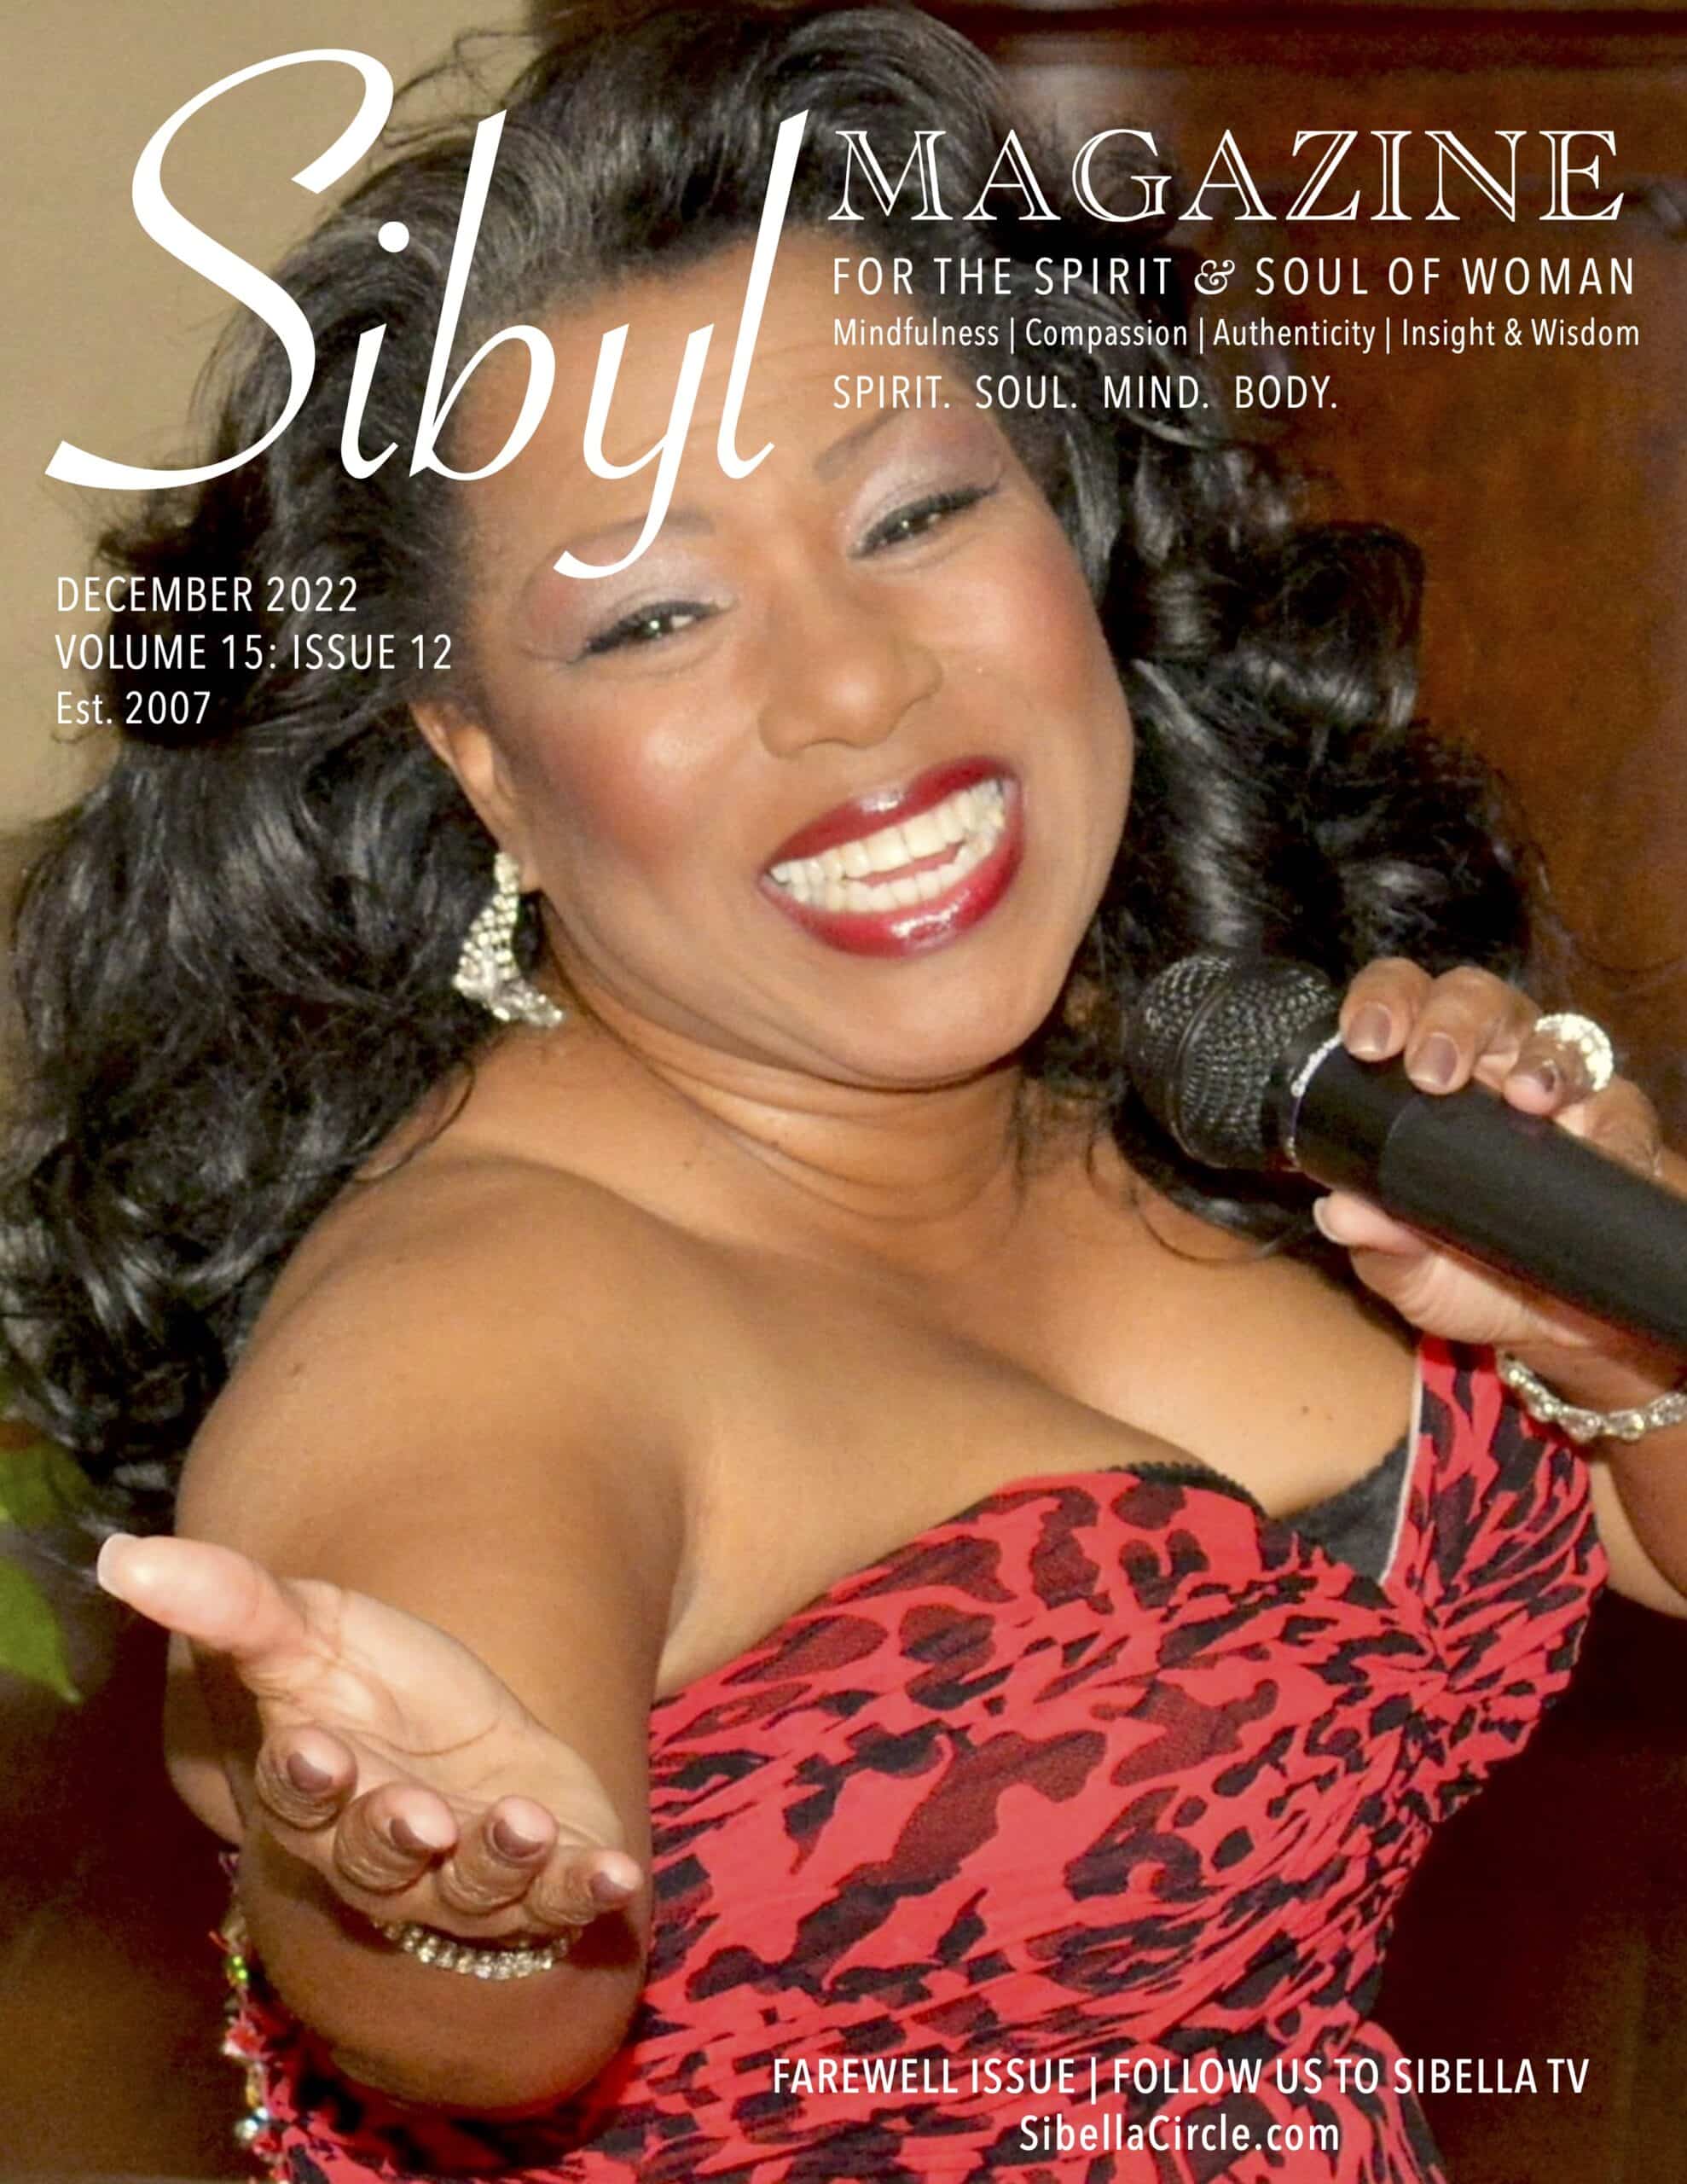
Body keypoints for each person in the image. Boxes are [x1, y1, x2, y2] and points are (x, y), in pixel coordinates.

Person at [4, 3, 1684, 2177]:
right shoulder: (478, 1324)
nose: (853, 680)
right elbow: (469, 1943)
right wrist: (437, 1889)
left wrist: (1606, 1347)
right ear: (481, 765)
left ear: (1070, 520)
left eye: (915, 511)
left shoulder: (1182, 1068)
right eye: (652, 618)